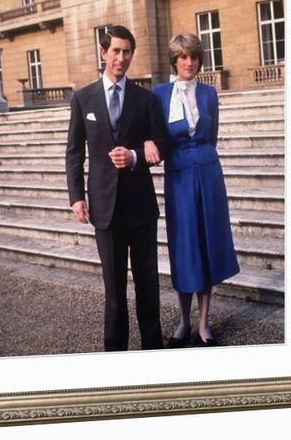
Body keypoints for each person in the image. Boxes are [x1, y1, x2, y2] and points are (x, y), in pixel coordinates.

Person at [65, 25, 165, 351]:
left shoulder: (146, 99)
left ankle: (153, 349)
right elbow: (74, 153)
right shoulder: (83, 99)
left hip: (140, 206)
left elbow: (161, 144)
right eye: (116, 51)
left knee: (148, 284)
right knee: (114, 290)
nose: (121, 58)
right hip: (104, 210)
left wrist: (137, 154)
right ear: (103, 52)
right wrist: (77, 197)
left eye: (127, 52)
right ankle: (115, 356)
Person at [146, 32, 240, 348]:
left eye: (195, 57)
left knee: (207, 243)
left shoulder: (210, 93)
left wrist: (201, 157)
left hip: (209, 173)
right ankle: (183, 321)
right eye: (184, 57)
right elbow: (156, 136)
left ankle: (203, 324)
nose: (190, 62)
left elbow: (211, 135)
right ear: (174, 60)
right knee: (185, 246)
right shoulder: (158, 95)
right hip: (179, 178)